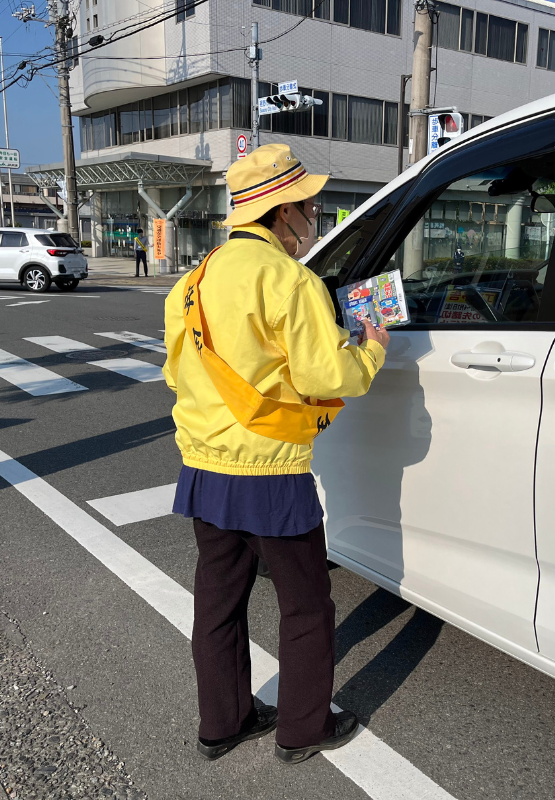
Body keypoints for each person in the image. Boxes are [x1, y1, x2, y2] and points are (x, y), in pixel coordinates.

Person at [163, 143, 390, 765]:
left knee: (217, 601)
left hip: (205, 468)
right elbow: (329, 373)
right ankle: (302, 730)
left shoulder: (194, 280)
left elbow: (176, 374)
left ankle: (223, 723)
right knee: (306, 605)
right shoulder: (289, 279)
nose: (312, 216)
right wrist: (369, 346)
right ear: (282, 211)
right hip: (270, 470)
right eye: (309, 206)